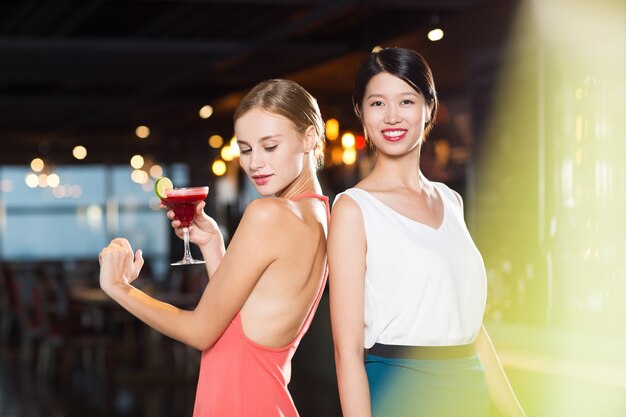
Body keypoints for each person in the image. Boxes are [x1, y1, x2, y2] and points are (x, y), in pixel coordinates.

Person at [99, 79, 329, 417]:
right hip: (263, 399)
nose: (254, 164)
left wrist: (118, 288)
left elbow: (201, 332)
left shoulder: (267, 214)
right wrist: (212, 244)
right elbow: (246, 321)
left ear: (308, 138)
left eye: (270, 146)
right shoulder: (319, 214)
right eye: (246, 149)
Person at [328, 47, 527, 417]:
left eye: (406, 100)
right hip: (400, 395)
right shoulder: (353, 209)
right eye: (376, 103)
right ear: (360, 112)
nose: (391, 116)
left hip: (468, 393)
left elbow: (471, 328)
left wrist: (516, 412)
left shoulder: (451, 201)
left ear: (429, 108)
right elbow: (347, 351)